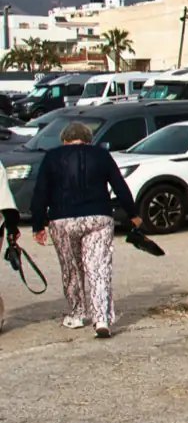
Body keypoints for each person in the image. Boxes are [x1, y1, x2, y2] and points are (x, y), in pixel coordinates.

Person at [29, 121, 142, 338]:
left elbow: (40, 192)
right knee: (98, 268)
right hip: (98, 216)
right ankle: (102, 319)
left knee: (71, 268)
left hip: (62, 219)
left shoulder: (52, 157)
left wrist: (37, 224)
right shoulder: (101, 155)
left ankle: (78, 313)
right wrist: (133, 214)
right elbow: (119, 185)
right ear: (89, 140)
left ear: (64, 140)